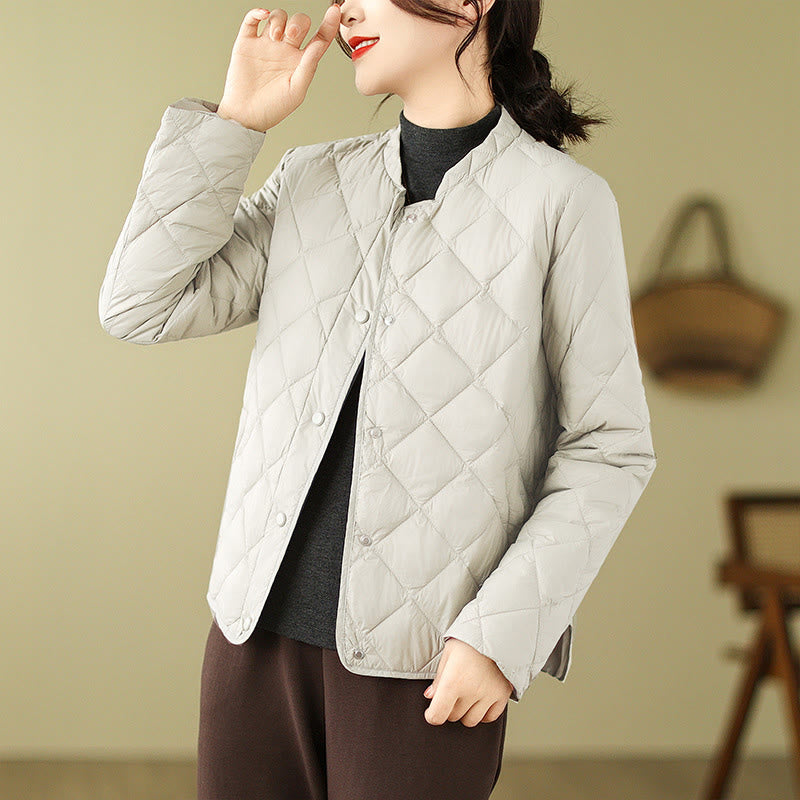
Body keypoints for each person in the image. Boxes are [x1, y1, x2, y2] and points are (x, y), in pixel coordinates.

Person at [98, 1, 657, 797]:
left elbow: (610, 446)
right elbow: (140, 306)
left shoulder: (561, 202)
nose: (345, 7)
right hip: (251, 644)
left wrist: (501, 638)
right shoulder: (312, 179)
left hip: (425, 666)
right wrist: (235, 125)